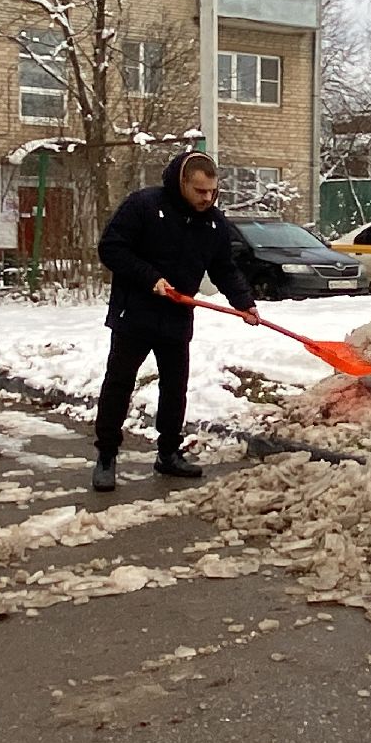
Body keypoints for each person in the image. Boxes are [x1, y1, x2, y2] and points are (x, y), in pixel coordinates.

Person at [93, 149, 258, 491]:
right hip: (134, 313)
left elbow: (224, 267)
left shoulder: (213, 222)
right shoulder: (144, 205)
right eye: (200, 191)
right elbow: (111, 248)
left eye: (212, 191)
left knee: (175, 387)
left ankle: (168, 454)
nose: (207, 198)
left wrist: (244, 303)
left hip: (176, 317)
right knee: (119, 383)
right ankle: (106, 456)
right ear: (182, 182)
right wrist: (149, 278)